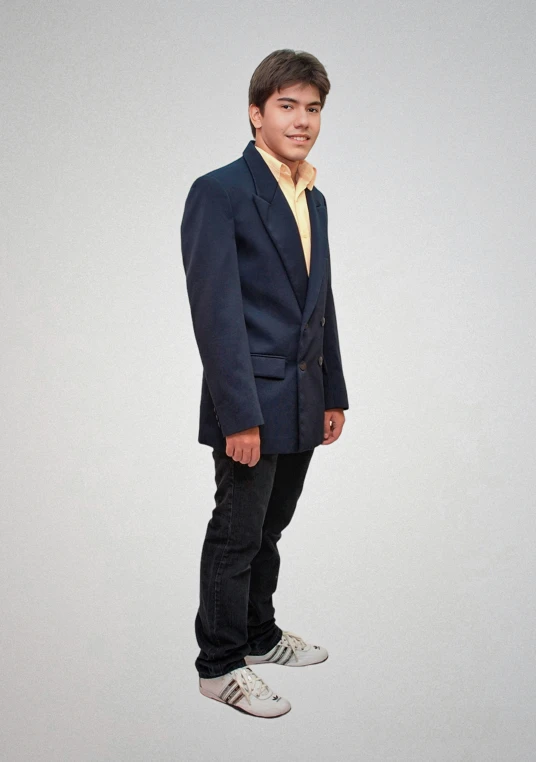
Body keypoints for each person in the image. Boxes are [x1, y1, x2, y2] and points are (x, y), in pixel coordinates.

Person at [180, 48, 349, 718]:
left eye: (312, 108)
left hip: (304, 395)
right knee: (237, 532)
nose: (302, 120)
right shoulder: (219, 192)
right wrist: (237, 416)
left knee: (270, 527)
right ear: (256, 113)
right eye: (287, 106)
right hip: (250, 401)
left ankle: (257, 634)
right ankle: (219, 666)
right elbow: (215, 315)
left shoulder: (315, 195)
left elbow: (321, 301)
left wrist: (334, 391)